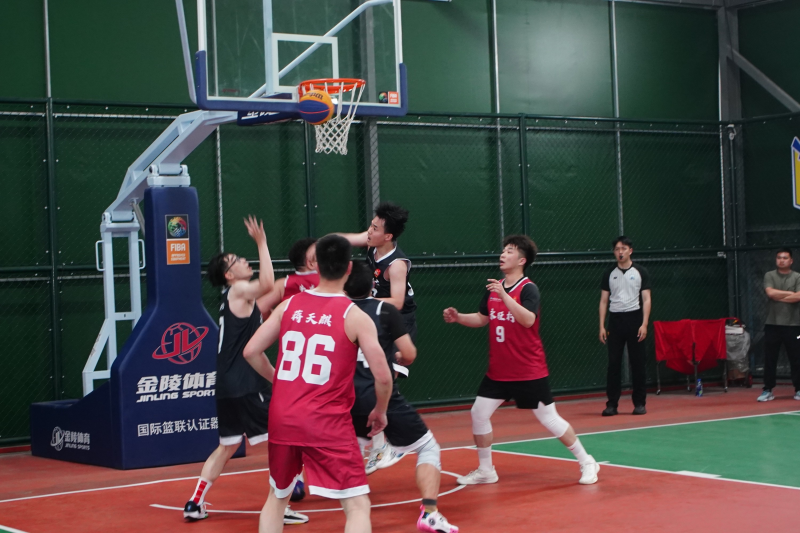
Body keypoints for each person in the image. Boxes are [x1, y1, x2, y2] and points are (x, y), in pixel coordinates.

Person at [243, 235, 393, 533]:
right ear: (348, 268)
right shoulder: (354, 315)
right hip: (326, 421)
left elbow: (250, 351)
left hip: (283, 417)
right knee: (357, 505)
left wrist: (278, 379)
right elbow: (383, 376)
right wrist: (381, 410)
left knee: (277, 497)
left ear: (317, 266)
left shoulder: (289, 305)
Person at [443, 235, 599, 486]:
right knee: (478, 413)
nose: (503, 254)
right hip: (498, 371)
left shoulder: (528, 289)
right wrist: (459, 317)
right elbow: (482, 318)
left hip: (528, 370)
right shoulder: (494, 288)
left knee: (549, 419)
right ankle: (486, 470)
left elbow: (528, 320)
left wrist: (505, 296)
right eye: (503, 250)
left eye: (510, 251)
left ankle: (587, 461)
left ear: (522, 260)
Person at [182, 217, 307, 525]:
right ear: (228, 274)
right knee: (284, 441)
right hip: (246, 384)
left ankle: (195, 502)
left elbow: (268, 294)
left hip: (226, 384)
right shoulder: (238, 289)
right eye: (236, 260)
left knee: (226, 446)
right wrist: (261, 242)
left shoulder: (235, 299)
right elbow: (267, 284)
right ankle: (280, 507)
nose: (243, 260)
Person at [344, 261, 458, 533]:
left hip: (343, 397)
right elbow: (409, 354)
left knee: (353, 454)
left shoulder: (337, 311)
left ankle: (355, 517)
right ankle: (429, 513)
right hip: (378, 394)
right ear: (373, 286)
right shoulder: (384, 310)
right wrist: (395, 355)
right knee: (428, 447)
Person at [339, 202, 415, 471]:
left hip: (398, 321)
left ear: (388, 236)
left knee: (384, 380)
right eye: (370, 226)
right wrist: (323, 244)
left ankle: (382, 446)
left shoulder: (396, 265)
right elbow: (349, 238)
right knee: (374, 381)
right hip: (376, 315)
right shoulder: (373, 242)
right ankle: (380, 445)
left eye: (375, 228)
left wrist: (362, 301)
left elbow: (397, 301)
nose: (369, 231)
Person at [598, 236, 651, 416]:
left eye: (623, 248)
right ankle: (612, 405)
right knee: (613, 364)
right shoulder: (609, 273)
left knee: (638, 363)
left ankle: (640, 403)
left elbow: (646, 299)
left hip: (635, 319)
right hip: (615, 321)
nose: (620, 252)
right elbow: (603, 301)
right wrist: (602, 326)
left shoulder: (640, 271)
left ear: (630, 251)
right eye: (617, 249)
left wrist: (644, 324)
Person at [758, 248, 800, 401]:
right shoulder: (769, 275)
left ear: (791, 261)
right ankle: (768, 390)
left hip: (794, 325)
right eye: (779, 257)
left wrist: (780, 296)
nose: (781, 260)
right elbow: (770, 293)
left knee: (797, 358)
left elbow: (798, 297)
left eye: (785, 258)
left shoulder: (797, 277)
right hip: (772, 324)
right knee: (770, 358)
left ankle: (799, 389)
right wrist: (790, 294)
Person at [257, 237, 319, 320]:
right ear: (311, 263)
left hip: (292, 326)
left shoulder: (283, 284)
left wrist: (276, 319)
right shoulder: (329, 280)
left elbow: (259, 308)